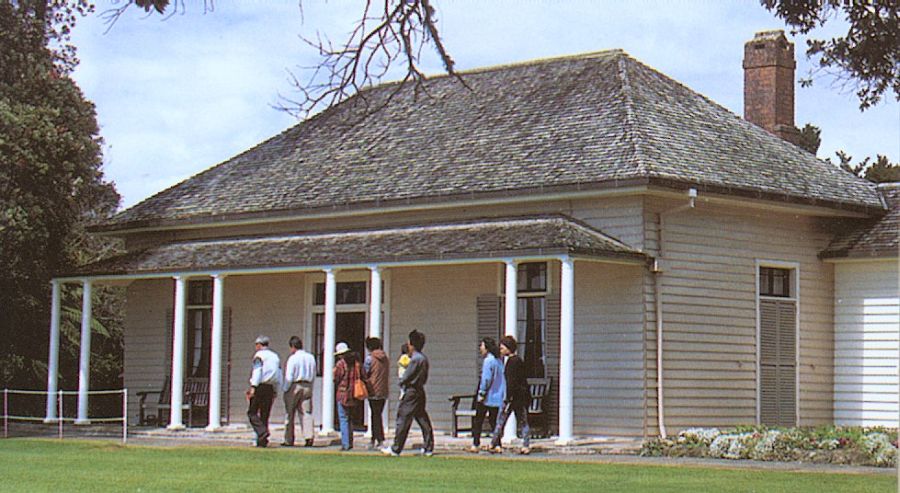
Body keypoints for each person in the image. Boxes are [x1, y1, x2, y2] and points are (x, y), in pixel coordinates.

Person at [382, 330, 434, 457]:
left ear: (412, 344)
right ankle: (428, 447)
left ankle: (396, 448)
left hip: (411, 391)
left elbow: (406, 376)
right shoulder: (424, 359)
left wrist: (401, 381)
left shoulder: (415, 359)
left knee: (403, 419)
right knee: (422, 419)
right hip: (420, 391)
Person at [489, 335, 531, 454]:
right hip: (521, 397)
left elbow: (511, 382)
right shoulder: (519, 361)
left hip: (513, 397)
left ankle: (493, 443)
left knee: (501, 420)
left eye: (502, 348)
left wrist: (508, 398)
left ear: (508, 348)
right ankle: (526, 444)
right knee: (523, 421)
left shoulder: (511, 363)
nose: (501, 350)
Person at [468, 337, 505, 453]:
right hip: (497, 395)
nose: (480, 348)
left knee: (478, 420)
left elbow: (486, 379)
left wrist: (482, 393)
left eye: (482, 346)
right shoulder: (499, 360)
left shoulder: (488, 361)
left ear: (487, 348)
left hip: (487, 396)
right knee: (494, 421)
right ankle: (497, 444)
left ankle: (476, 443)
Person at [246, 335, 281, 448]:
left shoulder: (259, 356)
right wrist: (276, 389)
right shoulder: (275, 357)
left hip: (260, 386)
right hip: (270, 387)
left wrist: (253, 387)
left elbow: (257, 371)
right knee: (265, 414)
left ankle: (262, 432)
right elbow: (278, 374)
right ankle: (262, 441)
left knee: (252, 412)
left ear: (259, 345)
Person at [281, 336, 317, 447]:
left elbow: (289, 376)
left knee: (290, 413)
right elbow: (314, 373)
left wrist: (285, 389)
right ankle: (309, 436)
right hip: (307, 385)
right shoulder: (310, 357)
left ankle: (289, 439)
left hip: (295, 385)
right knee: (306, 412)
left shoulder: (293, 358)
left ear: (292, 347)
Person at [332, 341, 363, 451]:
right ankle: (350, 442)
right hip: (353, 394)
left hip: (342, 393)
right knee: (350, 419)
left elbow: (336, 378)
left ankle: (345, 443)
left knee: (343, 419)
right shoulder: (356, 363)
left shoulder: (341, 364)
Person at [364, 337, 389, 449]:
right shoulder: (385, 358)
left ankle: (377, 439)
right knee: (378, 414)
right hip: (383, 389)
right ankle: (377, 438)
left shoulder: (370, 359)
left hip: (373, 389)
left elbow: (365, 372)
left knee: (375, 415)